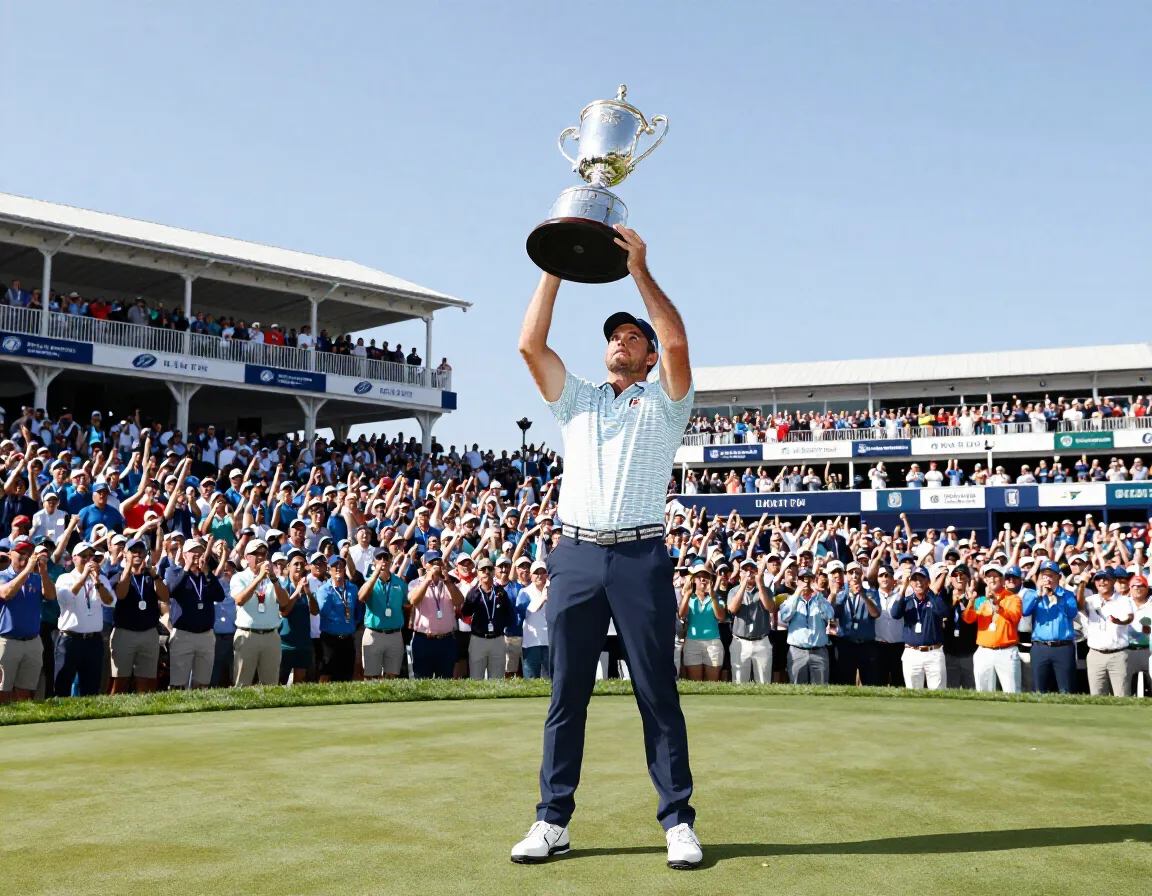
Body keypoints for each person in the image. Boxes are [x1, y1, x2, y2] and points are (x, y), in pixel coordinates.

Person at [512, 226, 701, 870]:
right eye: (615, 336)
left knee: (656, 692)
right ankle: (551, 819)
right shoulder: (579, 401)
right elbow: (529, 344)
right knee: (567, 692)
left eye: (633, 337)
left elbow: (676, 338)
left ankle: (677, 820)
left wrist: (641, 269)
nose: (622, 341)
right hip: (577, 556)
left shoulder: (668, 402)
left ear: (647, 357)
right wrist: (556, 264)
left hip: (641, 558)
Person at [163, 538, 226, 689]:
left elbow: (220, 596)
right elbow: (172, 591)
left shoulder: (207, 575)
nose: (197, 555)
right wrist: (186, 568)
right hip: (183, 635)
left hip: (206, 634)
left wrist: (206, 572)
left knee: (202, 683)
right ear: (184, 554)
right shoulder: (174, 571)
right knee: (178, 683)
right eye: (193, 552)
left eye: (200, 552)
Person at [110, 538, 168, 694]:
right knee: (120, 679)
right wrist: (128, 568)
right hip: (125, 632)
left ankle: (145, 712)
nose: (137, 554)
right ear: (125, 553)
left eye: (141, 551)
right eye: (133, 551)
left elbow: (165, 597)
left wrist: (155, 576)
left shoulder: (150, 577)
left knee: (148, 679)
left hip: (149, 632)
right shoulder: (117, 575)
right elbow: (120, 595)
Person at [0, 538, 56, 701]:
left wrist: (43, 571)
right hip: (6, 641)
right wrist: (28, 570)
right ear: (10, 554)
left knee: (26, 691)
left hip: (32, 641)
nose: (25, 557)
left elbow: (51, 596)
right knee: (3, 690)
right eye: (21, 553)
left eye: (29, 554)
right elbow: (7, 593)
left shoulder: (36, 578)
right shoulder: (3, 575)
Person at [54, 541, 112, 696]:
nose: (88, 560)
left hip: (93, 640)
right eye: (84, 556)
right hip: (70, 640)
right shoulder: (65, 578)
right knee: (62, 684)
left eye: (91, 557)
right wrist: (83, 577)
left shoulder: (101, 580)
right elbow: (65, 599)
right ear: (74, 558)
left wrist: (97, 581)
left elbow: (110, 602)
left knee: (91, 686)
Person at [229, 539, 290, 686]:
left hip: (271, 635)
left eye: (263, 553)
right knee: (242, 683)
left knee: (271, 685)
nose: (260, 557)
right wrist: (258, 579)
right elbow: (240, 600)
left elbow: (284, 602)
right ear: (246, 557)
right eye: (255, 553)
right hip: (247, 635)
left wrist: (274, 580)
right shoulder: (239, 577)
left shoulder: (273, 578)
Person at [1021, 560, 1078, 693]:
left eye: (1051, 575)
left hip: (1063, 647)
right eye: (1044, 575)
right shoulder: (1032, 594)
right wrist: (1038, 594)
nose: (1047, 579)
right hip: (1040, 647)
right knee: (1039, 689)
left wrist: (1057, 596)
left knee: (1066, 689)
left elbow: (1072, 612)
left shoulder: (1067, 595)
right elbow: (1025, 611)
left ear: (1058, 577)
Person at [964, 564, 1022, 693]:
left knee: (1011, 692)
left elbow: (1015, 617)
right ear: (985, 581)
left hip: (1006, 652)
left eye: (995, 576)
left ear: (1002, 580)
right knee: (983, 692)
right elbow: (968, 619)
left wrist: (997, 605)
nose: (992, 580)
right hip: (984, 651)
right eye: (988, 577)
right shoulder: (980, 601)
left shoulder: (1013, 598)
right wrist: (971, 601)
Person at [408, 550, 465, 678]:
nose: (436, 566)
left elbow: (459, 601)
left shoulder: (450, 583)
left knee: (446, 680)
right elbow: (414, 601)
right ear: (425, 565)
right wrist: (427, 580)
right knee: (422, 680)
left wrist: (448, 582)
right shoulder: (416, 583)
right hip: (424, 639)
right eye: (432, 563)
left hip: (447, 640)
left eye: (438, 562)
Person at [890, 566, 948, 689]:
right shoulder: (907, 601)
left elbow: (944, 611)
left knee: (938, 693)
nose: (918, 582)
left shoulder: (934, 598)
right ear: (911, 582)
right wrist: (903, 588)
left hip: (934, 652)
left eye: (922, 579)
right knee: (913, 692)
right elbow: (895, 614)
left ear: (928, 582)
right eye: (915, 579)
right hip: (912, 653)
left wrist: (931, 591)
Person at [1079, 568, 1135, 696]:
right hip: (1095, 655)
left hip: (1118, 655)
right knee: (1097, 696)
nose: (1102, 582)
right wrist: (1082, 584)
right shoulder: (1091, 600)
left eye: (1106, 579)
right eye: (1098, 579)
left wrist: (1119, 621)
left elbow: (1129, 618)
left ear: (1113, 581)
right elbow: (1079, 605)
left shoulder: (1123, 600)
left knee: (1122, 696)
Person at [461, 557, 514, 680]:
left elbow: (510, 615)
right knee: (476, 678)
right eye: (482, 569)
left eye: (489, 569)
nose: (486, 572)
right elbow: (466, 613)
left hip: (497, 639)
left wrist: (499, 626)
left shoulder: (501, 592)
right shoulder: (473, 593)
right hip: (478, 639)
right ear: (477, 572)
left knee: (497, 680)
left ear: (493, 571)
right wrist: (474, 594)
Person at [359, 548, 406, 679]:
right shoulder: (369, 581)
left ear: (391, 561)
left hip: (395, 633)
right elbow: (361, 597)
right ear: (374, 562)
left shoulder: (400, 583)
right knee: (371, 676)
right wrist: (375, 574)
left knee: (392, 675)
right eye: (379, 559)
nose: (383, 561)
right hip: (374, 633)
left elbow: (407, 605)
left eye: (386, 558)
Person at [726, 557, 775, 683]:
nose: (749, 573)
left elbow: (770, 608)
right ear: (740, 573)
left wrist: (759, 584)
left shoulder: (765, 590)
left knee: (763, 683)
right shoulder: (733, 591)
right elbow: (732, 609)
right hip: (740, 642)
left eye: (752, 570)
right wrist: (743, 585)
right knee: (739, 683)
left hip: (762, 642)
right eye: (745, 570)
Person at [313, 554, 360, 682]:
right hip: (330, 639)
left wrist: (352, 623)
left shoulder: (352, 588)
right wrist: (332, 590)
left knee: (346, 675)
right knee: (326, 674)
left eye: (341, 566)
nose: (338, 569)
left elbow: (357, 610)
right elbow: (323, 612)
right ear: (329, 569)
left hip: (348, 638)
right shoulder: (323, 589)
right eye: (335, 566)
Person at [679, 564, 726, 681]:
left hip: (713, 643)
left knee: (712, 682)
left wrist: (713, 597)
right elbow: (682, 614)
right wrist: (688, 594)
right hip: (692, 642)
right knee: (695, 682)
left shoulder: (716, 597)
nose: (703, 579)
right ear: (693, 580)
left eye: (706, 577)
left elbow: (721, 617)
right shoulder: (689, 597)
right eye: (699, 577)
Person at [278, 550, 318, 684]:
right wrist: (297, 590)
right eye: (296, 564)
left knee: (299, 683)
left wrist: (309, 594)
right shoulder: (283, 587)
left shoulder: (308, 587)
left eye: (302, 564)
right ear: (288, 567)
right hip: (285, 644)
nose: (300, 567)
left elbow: (314, 611)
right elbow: (284, 612)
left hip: (303, 643)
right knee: (280, 681)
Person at [519, 561, 550, 679]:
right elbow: (528, 611)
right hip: (532, 643)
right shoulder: (524, 592)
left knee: (550, 680)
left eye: (543, 573)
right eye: (536, 573)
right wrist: (543, 598)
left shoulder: (553, 590)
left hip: (549, 641)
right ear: (531, 576)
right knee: (531, 680)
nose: (539, 576)